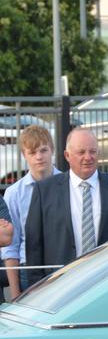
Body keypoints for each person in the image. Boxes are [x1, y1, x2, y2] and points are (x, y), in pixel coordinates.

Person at [25, 129, 108, 286]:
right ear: (67, 156)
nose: (88, 157)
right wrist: (38, 289)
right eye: (81, 152)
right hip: (59, 286)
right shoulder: (44, 190)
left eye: (93, 151)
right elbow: (34, 246)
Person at [1, 125, 60, 298]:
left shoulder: (67, 185)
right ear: (24, 155)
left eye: (43, 150)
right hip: (28, 269)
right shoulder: (14, 193)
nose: (39, 157)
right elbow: (11, 246)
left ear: (52, 150)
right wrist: (14, 292)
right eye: (32, 152)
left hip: (63, 266)